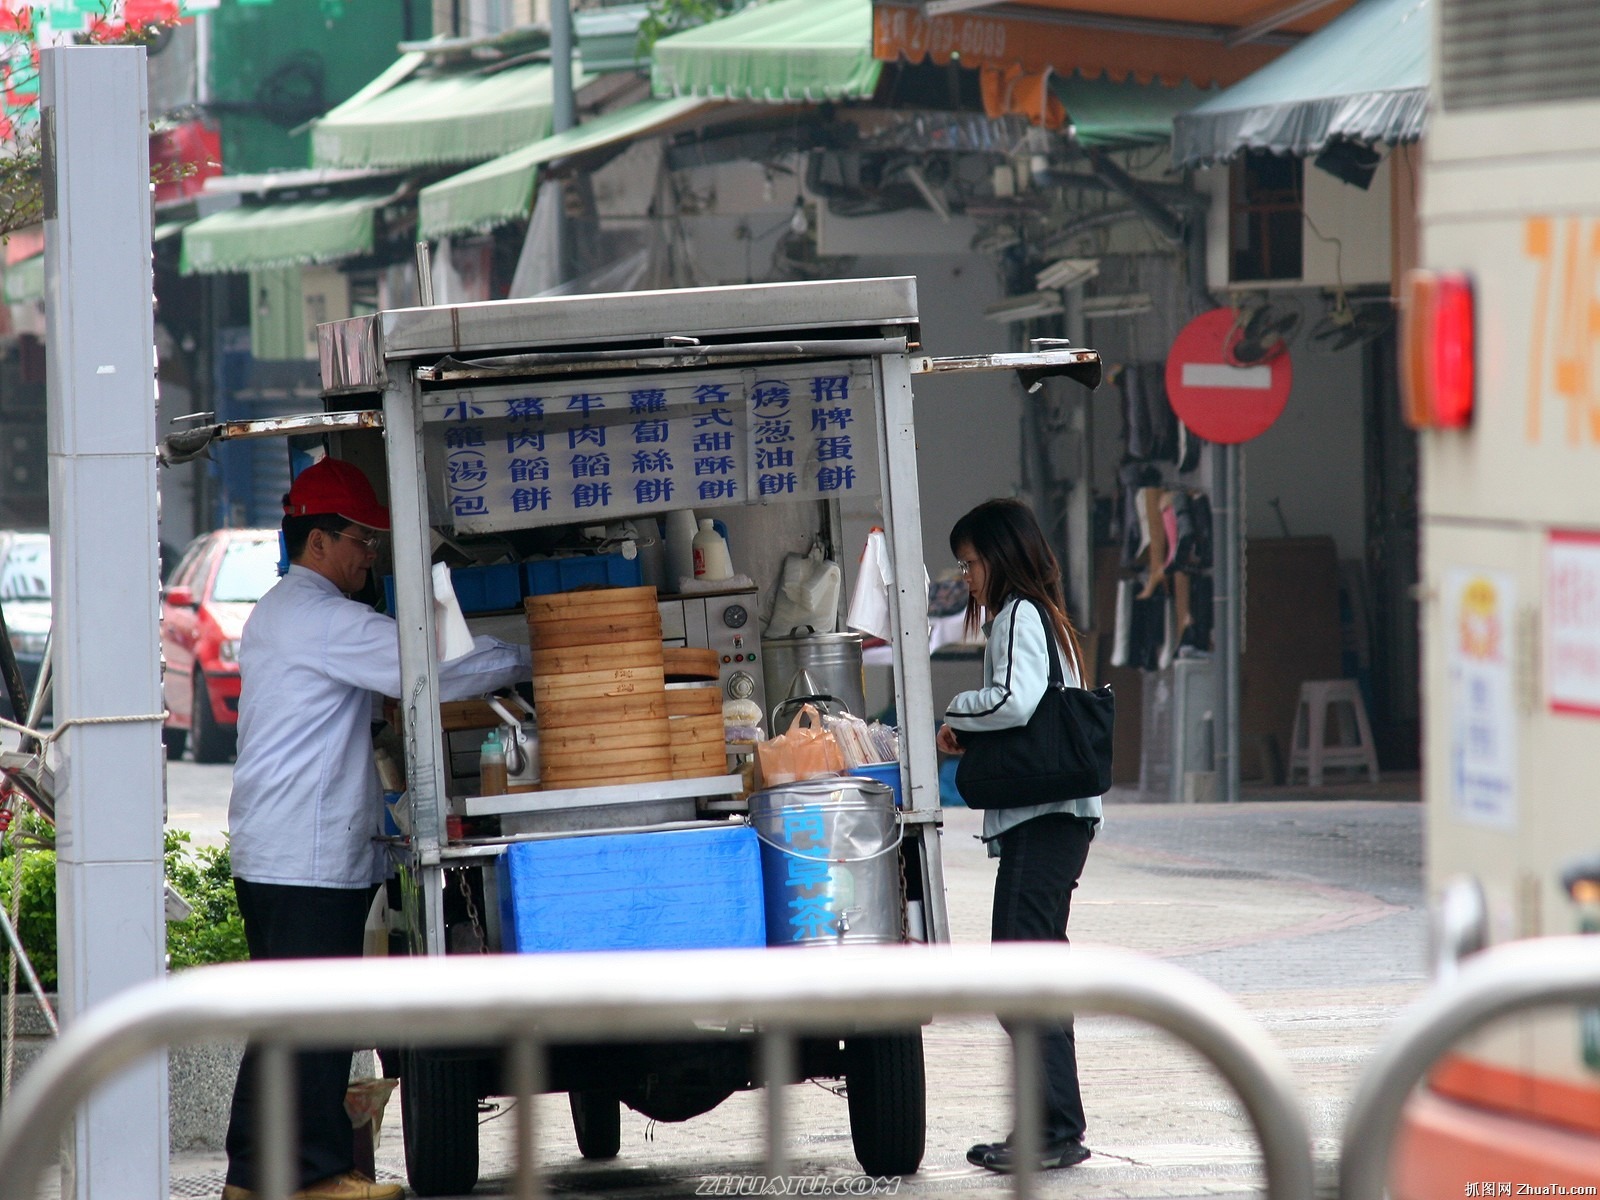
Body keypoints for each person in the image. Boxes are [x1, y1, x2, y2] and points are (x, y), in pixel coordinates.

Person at [222, 457, 531, 1200]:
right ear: (320, 541)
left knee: (282, 1019)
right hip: (304, 854)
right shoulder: (324, 618)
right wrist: (532, 656)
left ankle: (250, 1177)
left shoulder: (281, 611)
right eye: (362, 540)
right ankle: (314, 1176)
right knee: (312, 1019)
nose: (370, 556)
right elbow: (428, 672)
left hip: (278, 848)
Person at [936, 497, 1102, 1174]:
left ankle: (1054, 1129)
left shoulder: (1017, 616)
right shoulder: (1046, 616)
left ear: (1001, 558)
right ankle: (1046, 1124)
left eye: (971, 563)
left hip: (1045, 819)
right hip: (1057, 819)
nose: (968, 577)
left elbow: (1013, 699)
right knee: (1028, 972)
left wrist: (953, 714)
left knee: (1023, 974)